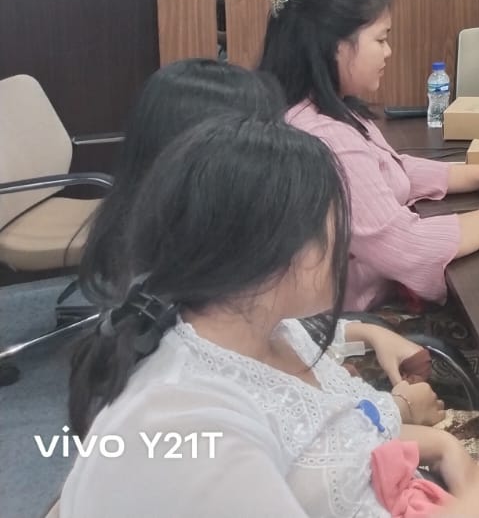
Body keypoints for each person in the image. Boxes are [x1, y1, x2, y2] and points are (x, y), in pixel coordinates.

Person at [61, 119, 479, 518]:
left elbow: (334, 441)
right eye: (339, 224)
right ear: (278, 250)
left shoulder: (257, 325)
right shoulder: (188, 428)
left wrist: (444, 448)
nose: (348, 243)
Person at [77, 58, 446, 426]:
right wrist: (394, 412)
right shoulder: (192, 359)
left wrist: (359, 334)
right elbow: (297, 429)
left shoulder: (190, 261)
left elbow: (271, 331)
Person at [259, 0, 479, 311]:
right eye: (380, 39)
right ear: (336, 47)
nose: (388, 52)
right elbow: (407, 246)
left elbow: (391, 170)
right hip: (347, 315)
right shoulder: (328, 138)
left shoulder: (314, 108)